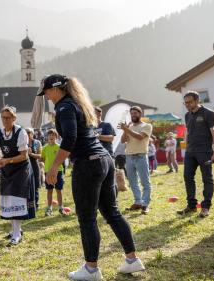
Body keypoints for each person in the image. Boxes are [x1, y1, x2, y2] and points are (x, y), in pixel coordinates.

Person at [38, 74, 144, 280]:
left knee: (87, 218)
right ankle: (132, 260)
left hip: (88, 163)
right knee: (112, 212)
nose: (47, 97)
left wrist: (53, 168)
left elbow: (70, 138)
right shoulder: (78, 103)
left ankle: (91, 269)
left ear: (57, 89)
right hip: (104, 160)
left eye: (47, 92)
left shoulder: (64, 107)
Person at [0, 106, 36, 246]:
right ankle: (15, 230)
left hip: (21, 168)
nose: (5, 120)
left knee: (16, 199)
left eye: (8, 118)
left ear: (14, 118)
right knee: (9, 199)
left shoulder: (20, 132)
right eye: (3, 118)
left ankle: (17, 233)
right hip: (8, 169)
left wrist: (7, 160)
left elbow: (24, 156)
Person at [177, 91, 214, 218]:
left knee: (207, 179)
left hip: (205, 152)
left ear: (197, 101)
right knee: (188, 177)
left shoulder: (209, 114)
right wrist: (186, 147)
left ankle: (205, 207)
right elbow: (188, 132)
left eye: (190, 102)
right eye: (185, 103)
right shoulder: (187, 115)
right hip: (190, 152)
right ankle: (192, 205)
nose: (187, 105)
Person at [119, 106, 153, 214]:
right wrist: (126, 130)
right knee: (133, 182)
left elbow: (140, 137)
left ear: (140, 114)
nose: (133, 115)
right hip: (129, 157)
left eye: (135, 113)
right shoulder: (129, 127)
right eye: (131, 113)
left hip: (141, 157)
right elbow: (123, 140)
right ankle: (138, 202)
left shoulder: (147, 125)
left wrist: (126, 129)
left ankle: (145, 204)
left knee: (145, 182)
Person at [41, 129, 66, 216]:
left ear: (56, 137)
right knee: (49, 190)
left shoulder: (59, 147)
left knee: (59, 190)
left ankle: (60, 207)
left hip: (58, 171)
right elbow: (42, 159)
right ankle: (49, 208)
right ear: (47, 137)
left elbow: (63, 158)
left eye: (53, 135)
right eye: (49, 135)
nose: (51, 137)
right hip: (48, 172)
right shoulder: (44, 148)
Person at [26, 128, 42, 210]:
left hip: (35, 166)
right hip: (25, 167)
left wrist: (31, 154)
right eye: (26, 133)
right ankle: (27, 205)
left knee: (35, 186)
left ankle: (35, 205)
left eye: (29, 133)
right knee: (26, 186)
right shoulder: (22, 143)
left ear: (32, 134)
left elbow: (39, 156)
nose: (27, 134)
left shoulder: (37, 142)